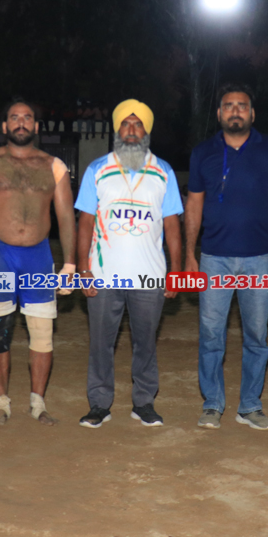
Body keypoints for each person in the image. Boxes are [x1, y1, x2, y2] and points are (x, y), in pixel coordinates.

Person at [185, 84, 268, 431]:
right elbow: (194, 204)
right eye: (228, 106)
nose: (235, 111)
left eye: (242, 106)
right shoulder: (202, 152)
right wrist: (190, 254)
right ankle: (212, 404)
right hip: (213, 258)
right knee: (211, 336)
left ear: (252, 113)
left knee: (257, 336)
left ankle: (250, 406)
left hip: (258, 258)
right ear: (219, 113)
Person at [0, 98, 77, 426]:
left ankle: (38, 403)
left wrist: (69, 265)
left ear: (36, 127)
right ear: (4, 126)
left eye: (27, 118)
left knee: (42, 333)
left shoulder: (53, 165)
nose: (21, 122)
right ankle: (2, 402)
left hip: (38, 255)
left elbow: (66, 216)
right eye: (14, 117)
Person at [76, 100, 183, 428]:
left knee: (145, 343)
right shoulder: (97, 169)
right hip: (103, 274)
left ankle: (144, 403)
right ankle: (99, 404)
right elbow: (85, 222)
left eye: (138, 124)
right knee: (101, 343)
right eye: (126, 124)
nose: (132, 130)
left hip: (150, 276)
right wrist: (83, 268)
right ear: (117, 130)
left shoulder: (163, 171)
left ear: (146, 131)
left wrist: (176, 271)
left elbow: (172, 225)